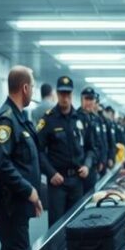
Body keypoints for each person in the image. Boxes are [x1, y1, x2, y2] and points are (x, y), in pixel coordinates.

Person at [0, 66, 43, 250]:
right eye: (32, 87)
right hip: (9, 204)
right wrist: (29, 190)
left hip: (18, 202)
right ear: (25, 88)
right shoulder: (6, 119)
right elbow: (1, 164)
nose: (33, 91)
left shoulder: (18, 118)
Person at [37, 76, 95, 227]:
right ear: (57, 94)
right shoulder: (48, 120)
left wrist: (87, 165)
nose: (65, 97)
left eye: (68, 93)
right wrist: (51, 173)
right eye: (62, 93)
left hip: (77, 180)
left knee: (77, 225)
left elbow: (90, 148)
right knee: (56, 227)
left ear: (71, 94)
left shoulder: (81, 118)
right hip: (58, 182)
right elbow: (39, 151)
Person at [75, 86, 103, 192]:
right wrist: (86, 164)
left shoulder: (94, 118)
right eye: (86, 99)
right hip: (82, 168)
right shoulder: (75, 117)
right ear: (81, 100)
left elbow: (98, 143)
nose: (89, 102)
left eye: (91, 99)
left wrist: (100, 160)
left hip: (92, 166)